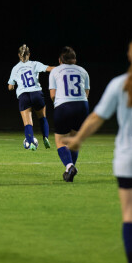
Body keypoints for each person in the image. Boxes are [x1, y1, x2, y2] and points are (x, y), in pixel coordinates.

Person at [66, 35, 132, 263]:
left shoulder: (120, 83)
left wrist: (78, 140)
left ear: (131, 56)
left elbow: (97, 117)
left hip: (129, 157)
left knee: (131, 215)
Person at [49, 46, 90, 182]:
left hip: (64, 106)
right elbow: (86, 94)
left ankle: (69, 166)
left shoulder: (55, 71)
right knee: (74, 141)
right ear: (75, 60)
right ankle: (69, 171)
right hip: (82, 106)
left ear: (60, 60)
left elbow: (53, 95)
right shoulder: (83, 71)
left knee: (61, 141)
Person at [8, 44, 55, 151]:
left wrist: (14, 85)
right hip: (36, 93)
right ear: (29, 54)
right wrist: (63, 68)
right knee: (42, 118)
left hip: (24, 95)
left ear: (19, 55)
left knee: (28, 122)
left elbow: (10, 87)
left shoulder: (15, 68)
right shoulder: (35, 64)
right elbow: (49, 69)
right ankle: (45, 137)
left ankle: (30, 143)